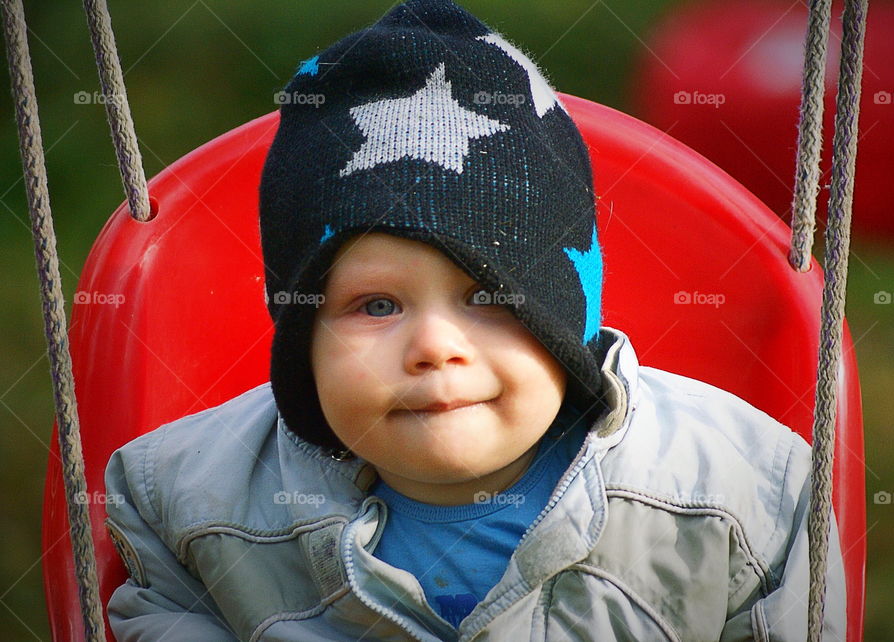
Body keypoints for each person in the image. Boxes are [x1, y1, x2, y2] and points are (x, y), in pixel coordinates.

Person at [103, 0, 847, 639]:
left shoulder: (737, 497)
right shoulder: (191, 508)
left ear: (565, 313)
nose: (433, 346)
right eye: (376, 305)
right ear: (302, 336)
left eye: (488, 295)